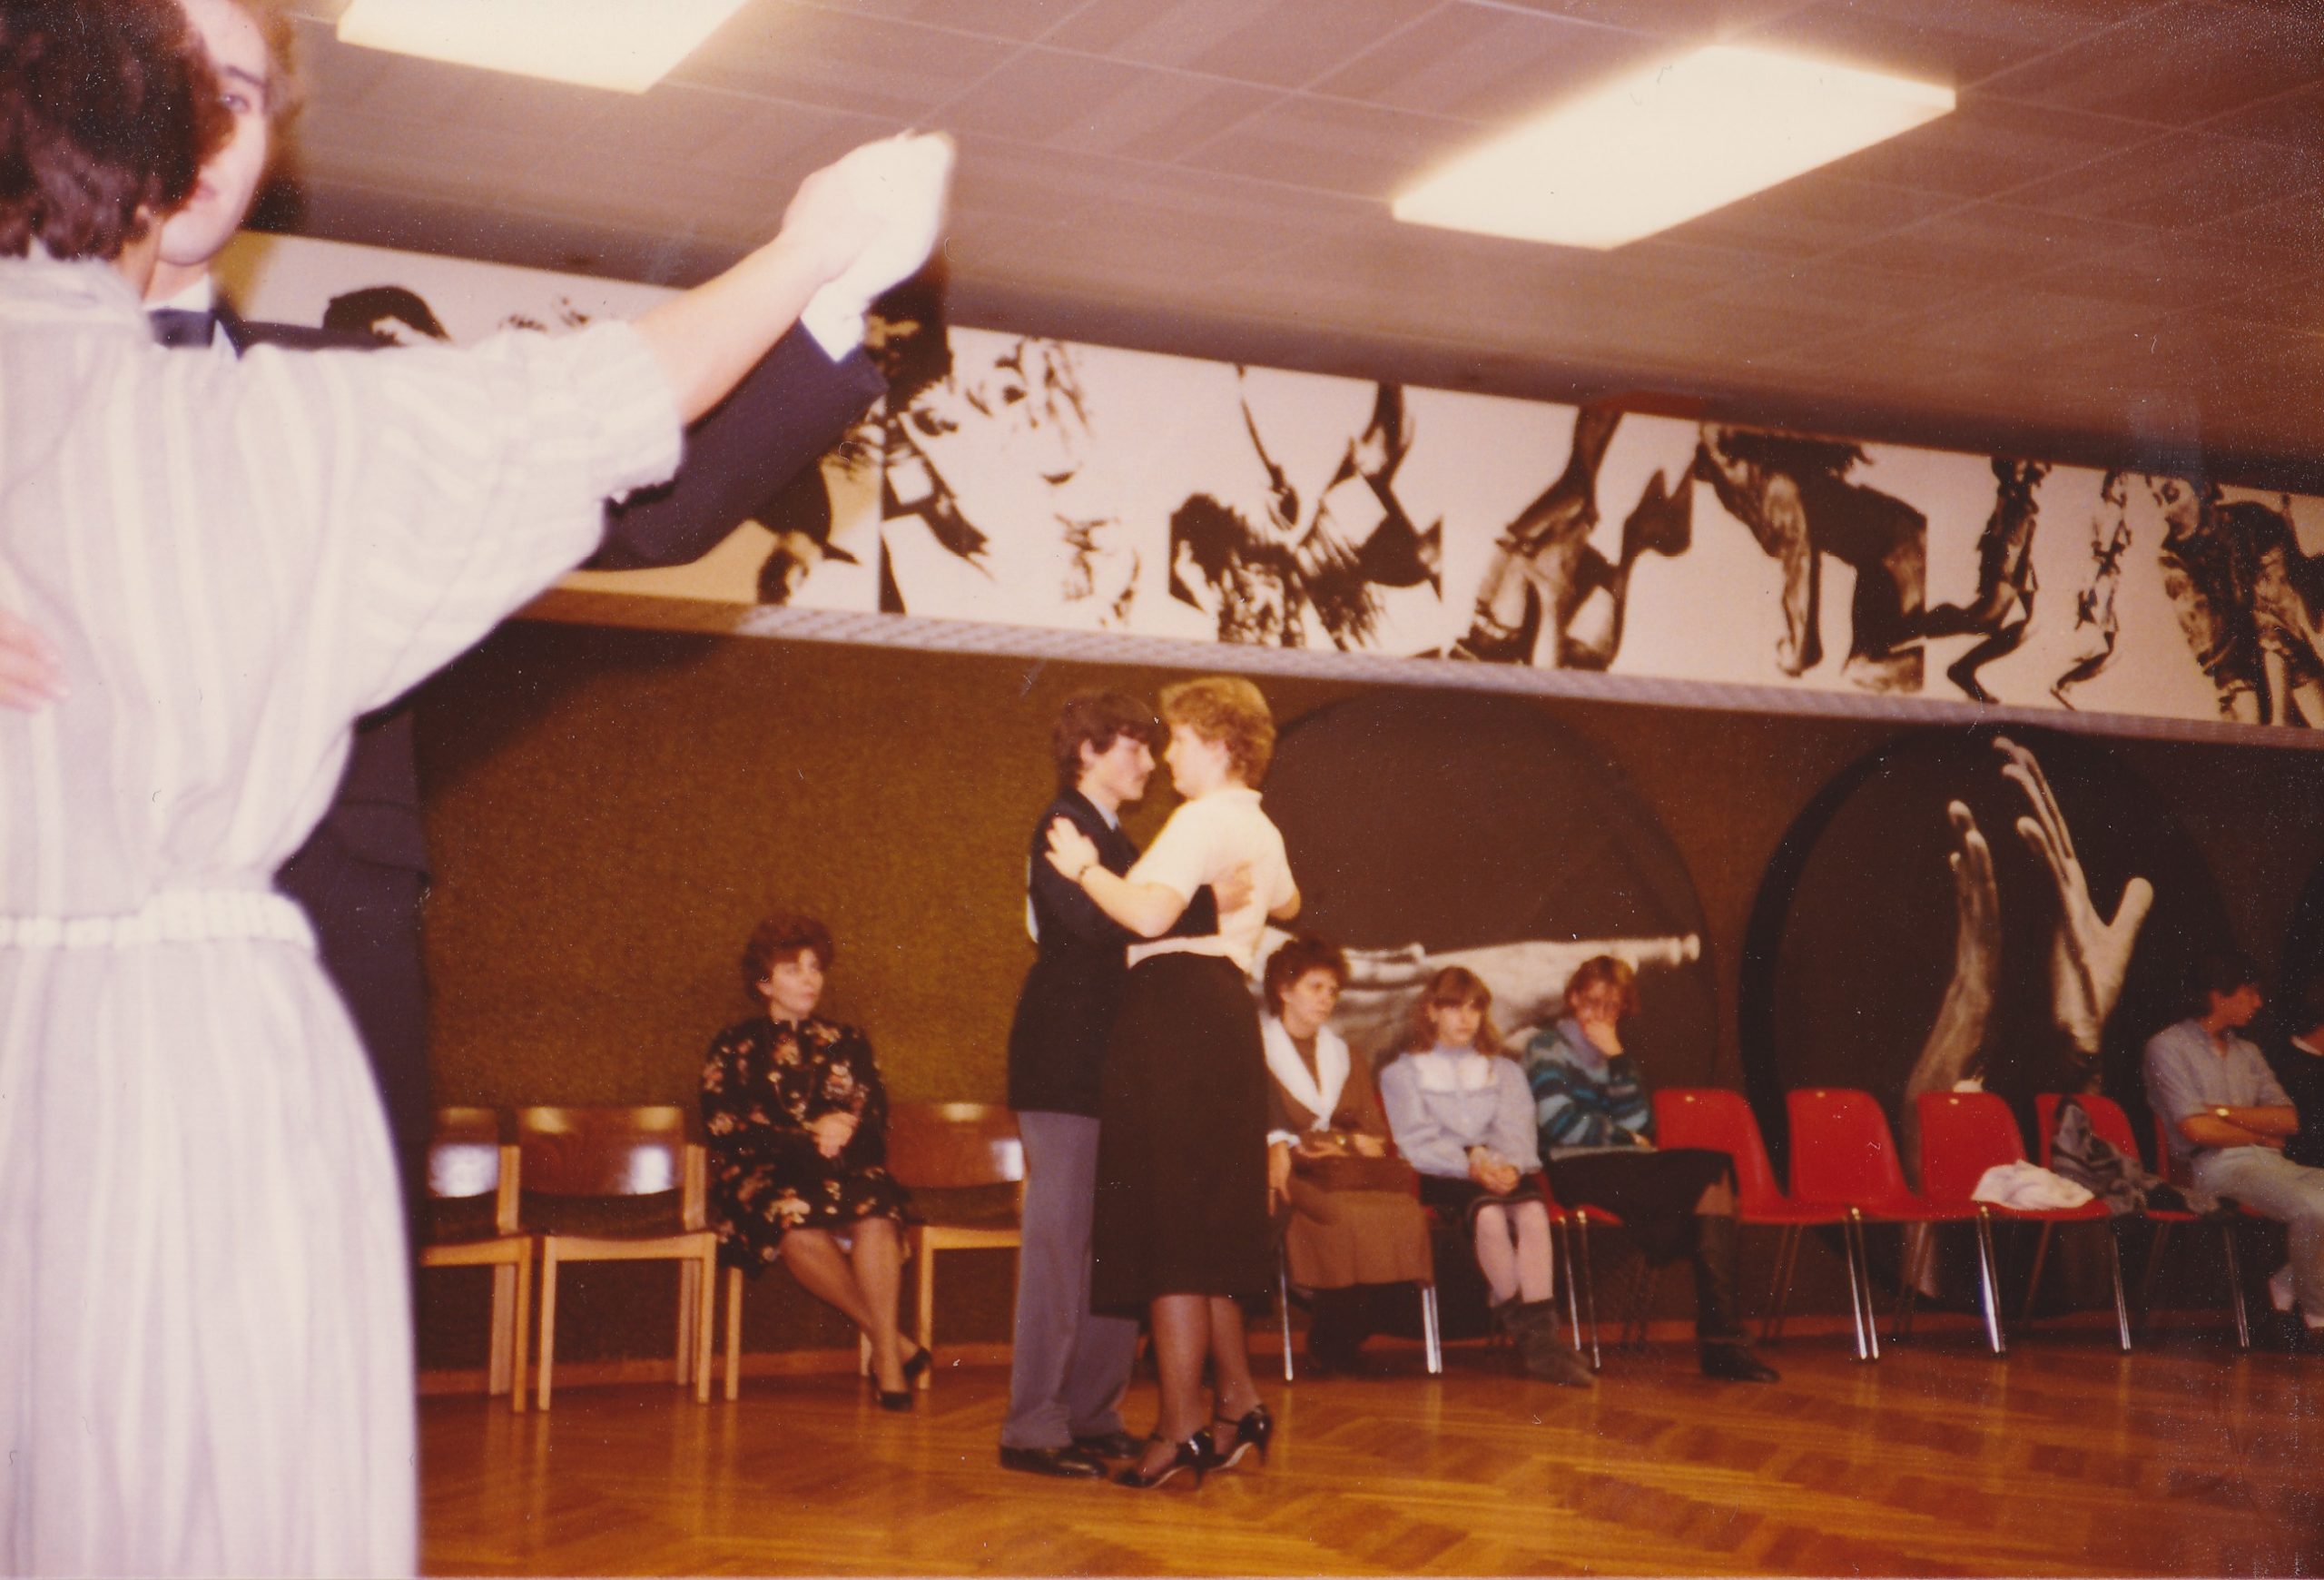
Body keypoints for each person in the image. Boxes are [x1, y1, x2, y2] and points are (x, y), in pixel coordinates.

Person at [0, 2, 951, 1568]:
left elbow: (634, 492)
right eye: (176, 86)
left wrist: (825, 306)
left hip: (303, 947)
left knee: (271, 1426)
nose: (210, 127)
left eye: (241, 91)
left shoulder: (324, 389)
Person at [1042, 676, 1300, 1488]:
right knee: (1206, 1226)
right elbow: (1287, 901)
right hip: (1223, 1014)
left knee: (1170, 1229)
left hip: (1175, 1018)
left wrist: (1086, 869)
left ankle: (1180, 1425)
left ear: (1218, 745)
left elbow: (1149, 916)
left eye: (1180, 739)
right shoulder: (1258, 824)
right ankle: (1237, 1403)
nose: (1168, 755)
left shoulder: (1200, 818)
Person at [999, 690, 1238, 1479]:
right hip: (1063, 1067)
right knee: (1061, 1250)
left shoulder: (1113, 839)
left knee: (1113, 1250)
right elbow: (1107, 924)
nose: (1148, 762)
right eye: (1132, 746)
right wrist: (1204, 902)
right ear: (1088, 753)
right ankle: (1032, 1426)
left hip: (1113, 1070)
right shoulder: (1062, 826)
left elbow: (1143, 914)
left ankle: (1092, 1413)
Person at [700, 914, 925, 1407]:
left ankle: (886, 1354)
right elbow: (723, 1127)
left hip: (839, 1171)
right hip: (765, 1177)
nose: (810, 979)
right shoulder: (734, 1045)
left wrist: (843, 1131)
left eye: (815, 967)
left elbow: (874, 1122)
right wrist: (809, 1136)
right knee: (792, 1220)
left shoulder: (849, 1041)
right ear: (764, 983)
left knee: (877, 1209)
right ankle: (891, 1347)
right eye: (793, 969)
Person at [1521, 957, 1779, 1383]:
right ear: (1573, 998)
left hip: (1622, 1166)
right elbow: (1559, 1123)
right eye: (1592, 1002)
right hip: (1573, 1168)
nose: (1599, 1015)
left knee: (1713, 1170)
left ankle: (1723, 1343)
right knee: (1705, 1174)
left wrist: (1617, 1059)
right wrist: (1622, 1135)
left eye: (1611, 1006)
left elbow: (1641, 1125)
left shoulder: (1615, 1054)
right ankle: (1723, 1345)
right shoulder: (1545, 1047)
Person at [1379, 968, 1593, 1387]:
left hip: (1499, 1165)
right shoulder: (1403, 1074)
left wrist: (1508, 1165)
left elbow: (1516, 1128)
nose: (1466, 1018)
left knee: (1533, 1213)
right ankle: (1540, 1346)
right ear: (1431, 1011)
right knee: (1491, 1217)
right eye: (1453, 1007)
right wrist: (1471, 1167)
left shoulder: (1503, 1071)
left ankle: (1541, 1340)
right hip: (1442, 1170)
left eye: (1475, 1008)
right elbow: (1416, 1141)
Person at [1261, 934, 1430, 1376]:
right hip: (1289, 1172)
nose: (1327, 999)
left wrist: (1339, 1143)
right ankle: (1331, 1335)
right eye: (1316, 988)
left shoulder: (1344, 1054)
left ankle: (1346, 1330)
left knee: (1403, 1212)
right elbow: (1267, 1131)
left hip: (1343, 1173)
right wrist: (1337, 1140)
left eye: (1333, 990)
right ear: (1284, 990)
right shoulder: (1257, 1050)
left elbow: (1372, 1133)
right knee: (1342, 1216)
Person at [2145, 952, 2324, 1348]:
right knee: (2316, 1206)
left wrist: (2222, 1112)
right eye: (2249, 992)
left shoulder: (2248, 1053)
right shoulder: (2167, 1047)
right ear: (2218, 995)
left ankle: (2285, 1283)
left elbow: (2288, 1119)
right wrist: (2257, 1133)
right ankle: (2317, 1315)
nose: (2257, 1003)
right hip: (2213, 1168)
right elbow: (2195, 1128)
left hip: (2271, 1163)